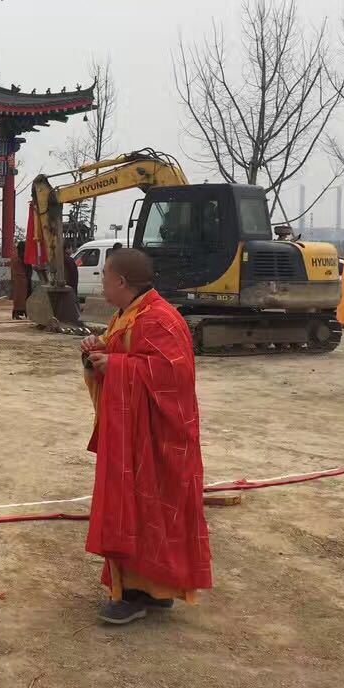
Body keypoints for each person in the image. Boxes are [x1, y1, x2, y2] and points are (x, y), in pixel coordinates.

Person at [80, 249, 212, 625]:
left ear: (121, 282)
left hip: (157, 439)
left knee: (148, 508)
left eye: (105, 275)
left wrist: (118, 366)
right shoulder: (127, 314)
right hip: (132, 434)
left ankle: (139, 593)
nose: (101, 281)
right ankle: (152, 589)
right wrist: (99, 353)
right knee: (136, 507)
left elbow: (176, 376)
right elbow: (130, 354)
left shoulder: (160, 319)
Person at [9, 241, 31, 320]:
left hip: (16, 280)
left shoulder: (14, 256)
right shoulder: (22, 256)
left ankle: (16, 313)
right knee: (23, 298)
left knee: (17, 298)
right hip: (23, 280)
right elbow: (28, 267)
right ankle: (20, 313)